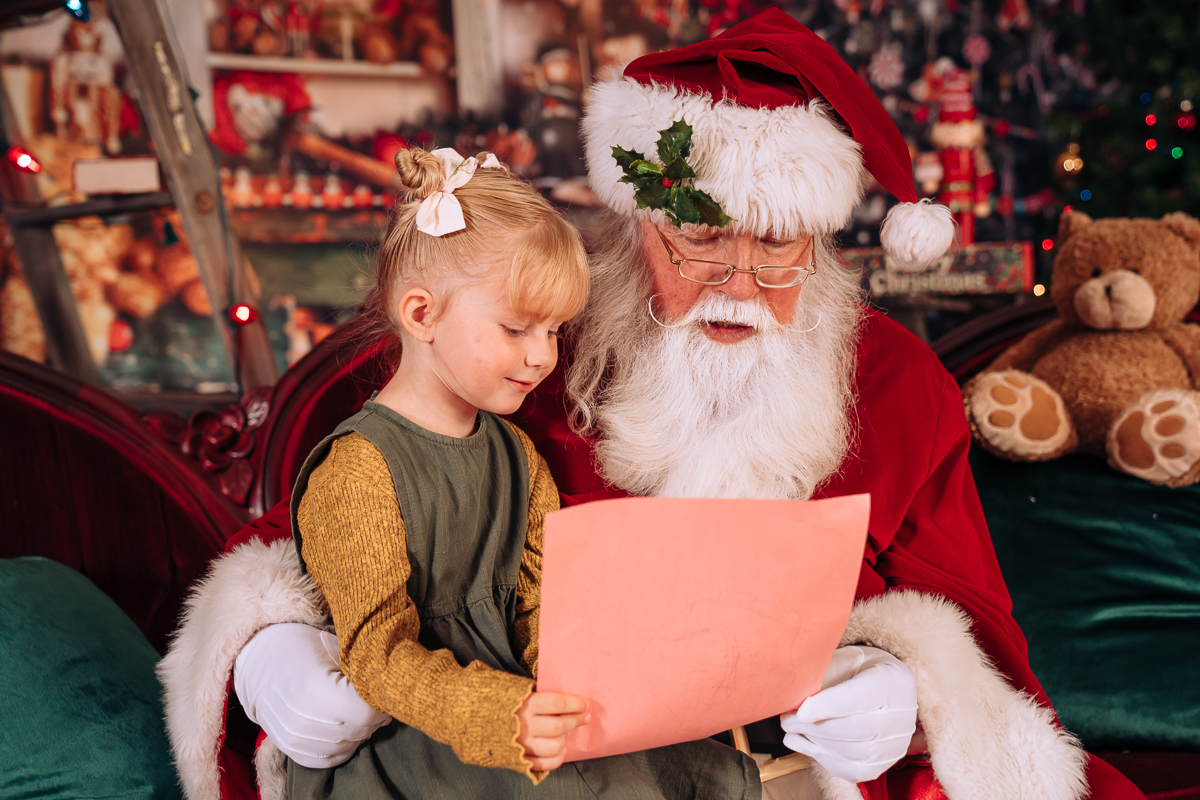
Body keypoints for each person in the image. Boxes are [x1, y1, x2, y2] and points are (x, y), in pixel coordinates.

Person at [158, 10, 1146, 800]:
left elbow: (971, 616)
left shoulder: (893, 382)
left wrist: (912, 686)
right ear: (635, 233)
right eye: (699, 239)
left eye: (777, 244)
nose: (738, 279)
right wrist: (270, 650)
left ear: (821, 243)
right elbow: (351, 508)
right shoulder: (538, 347)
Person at [280, 144, 758, 799]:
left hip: (525, 705)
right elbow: (378, 655)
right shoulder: (357, 470)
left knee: (693, 774)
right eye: (515, 328)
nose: (541, 357)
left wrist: (585, 688)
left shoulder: (516, 455)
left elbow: (542, 609)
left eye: (554, 331)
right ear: (421, 315)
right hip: (424, 735)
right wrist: (502, 713)